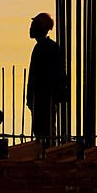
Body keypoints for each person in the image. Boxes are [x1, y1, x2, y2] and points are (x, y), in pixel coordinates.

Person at [26, 12, 64, 146]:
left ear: (41, 27)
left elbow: (54, 75)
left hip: (45, 98)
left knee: (45, 133)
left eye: (33, 25)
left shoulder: (48, 48)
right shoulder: (42, 47)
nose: (30, 28)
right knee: (41, 133)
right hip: (40, 99)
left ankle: (47, 155)